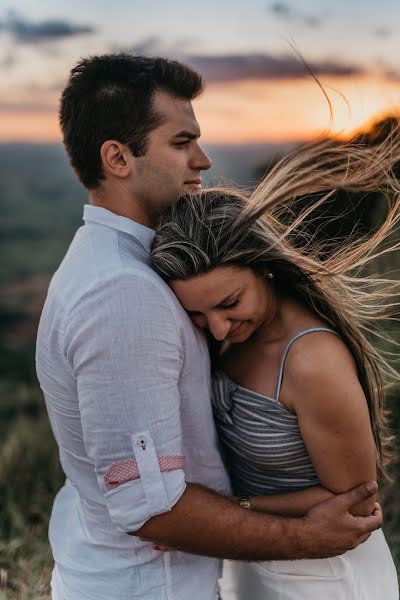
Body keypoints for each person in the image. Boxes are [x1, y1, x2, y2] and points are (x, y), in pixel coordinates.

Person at [36, 53, 382, 600]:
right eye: (180, 143)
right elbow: (153, 509)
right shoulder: (123, 293)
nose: (203, 159)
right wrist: (303, 537)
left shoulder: (134, 268)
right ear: (117, 158)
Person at [150, 134, 400, 598]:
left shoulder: (311, 361)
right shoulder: (227, 334)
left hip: (328, 576)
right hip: (258, 561)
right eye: (199, 316)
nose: (219, 329)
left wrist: (221, 514)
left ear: (264, 266)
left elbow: (356, 498)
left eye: (230, 303)